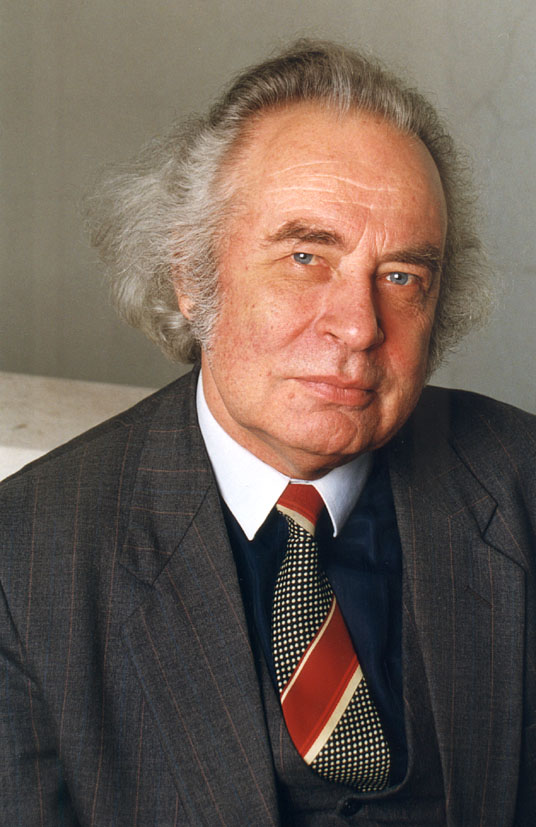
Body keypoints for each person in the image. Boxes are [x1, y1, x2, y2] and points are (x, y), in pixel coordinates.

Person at [1, 40, 535, 826]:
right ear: (191, 275)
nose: (359, 326)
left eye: (402, 277)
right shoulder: (25, 559)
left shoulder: (521, 483)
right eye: (306, 256)